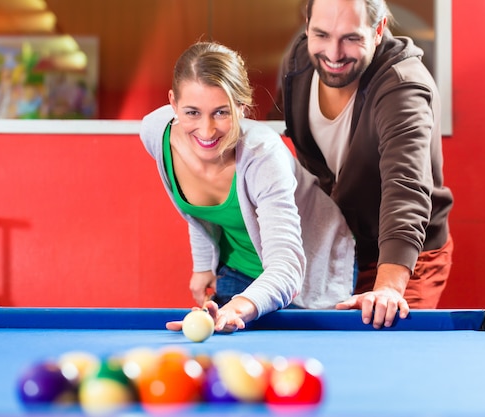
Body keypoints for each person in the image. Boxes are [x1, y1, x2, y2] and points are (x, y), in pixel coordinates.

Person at [139, 41, 355, 333]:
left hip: (308, 274)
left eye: (221, 112)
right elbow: (203, 211)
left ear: (241, 108)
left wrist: (236, 307)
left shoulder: (263, 155)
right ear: (173, 103)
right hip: (238, 269)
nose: (206, 130)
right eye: (192, 112)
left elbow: (287, 268)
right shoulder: (156, 135)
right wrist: (203, 266)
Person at [271, 0, 454, 329]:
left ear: (379, 30)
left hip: (405, 253)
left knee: (388, 354)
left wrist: (387, 287)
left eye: (351, 38)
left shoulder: (403, 87)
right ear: (308, 25)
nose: (334, 53)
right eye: (321, 34)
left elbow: (406, 189)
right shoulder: (298, 62)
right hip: (337, 245)